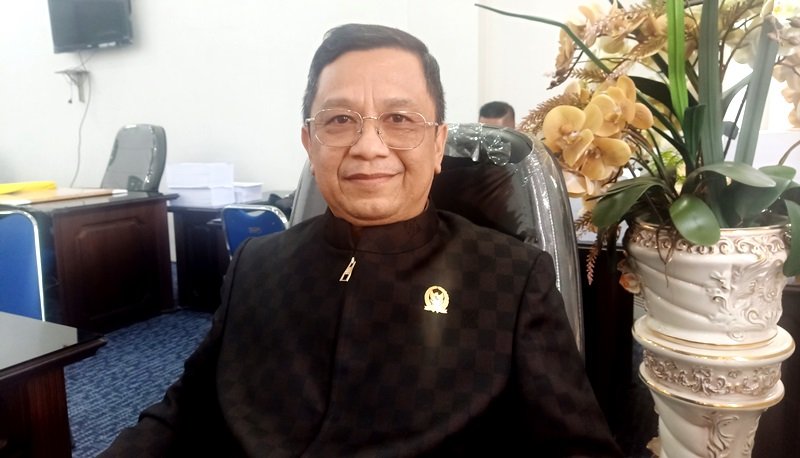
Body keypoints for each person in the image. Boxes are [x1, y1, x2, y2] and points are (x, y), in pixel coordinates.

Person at [100, 24, 622, 457]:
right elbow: (184, 412)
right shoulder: (257, 264)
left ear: (437, 144)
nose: (369, 146)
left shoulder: (511, 276)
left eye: (400, 119)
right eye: (340, 120)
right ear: (310, 144)